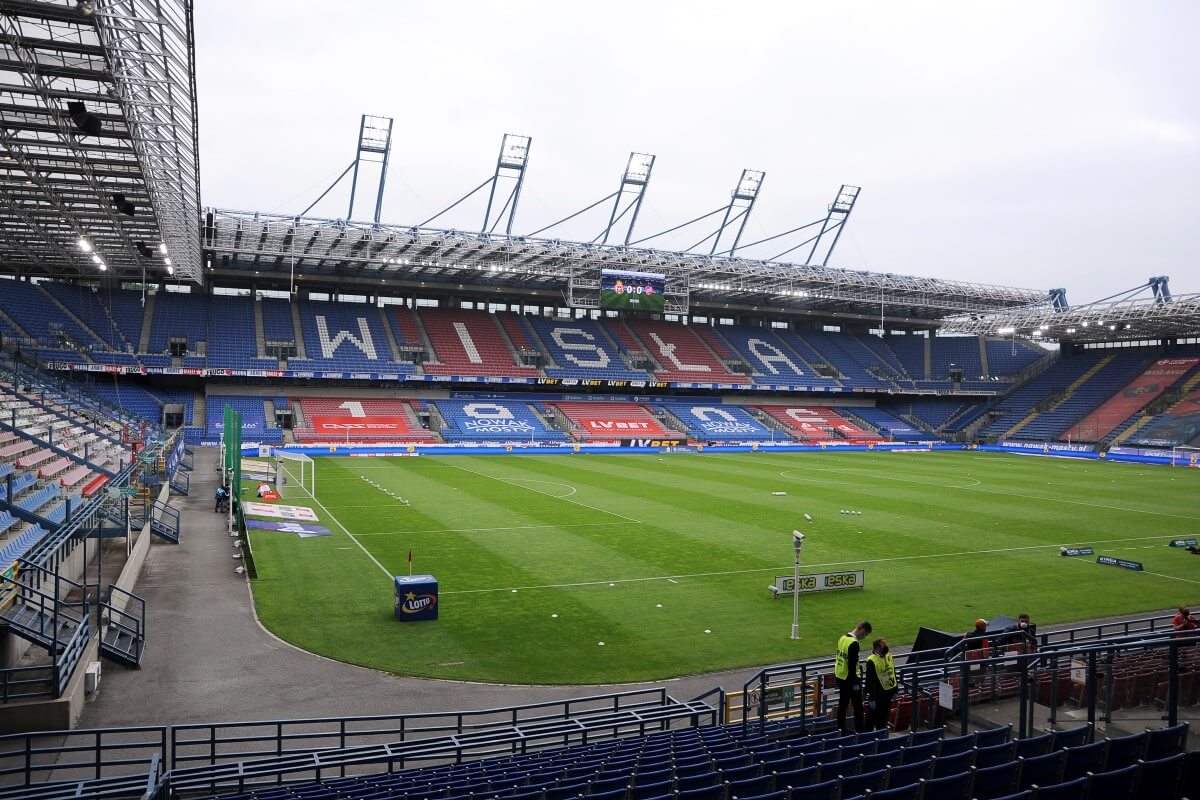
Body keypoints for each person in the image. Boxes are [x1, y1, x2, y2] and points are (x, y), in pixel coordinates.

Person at [834, 620, 872, 733]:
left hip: (840, 676)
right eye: (865, 634)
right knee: (858, 707)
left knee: (842, 705)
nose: (863, 637)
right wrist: (855, 683)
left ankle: (840, 729)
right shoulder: (854, 643)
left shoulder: (842, 638)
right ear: (862, 630)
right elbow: (851, 665)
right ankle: (860, 731)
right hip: (850, 680)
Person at [864, 637, 897, 731]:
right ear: (877, 648)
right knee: (870, 719)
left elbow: (893, 672)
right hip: (877, 695)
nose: (886, 647)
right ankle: (867, 738)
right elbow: (869, 681)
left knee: (883, 719)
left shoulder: (888, 655)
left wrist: (895, 690)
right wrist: (871, 698)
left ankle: (880, 737)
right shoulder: (871, 660)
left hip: (888, 693)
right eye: (884, 646)